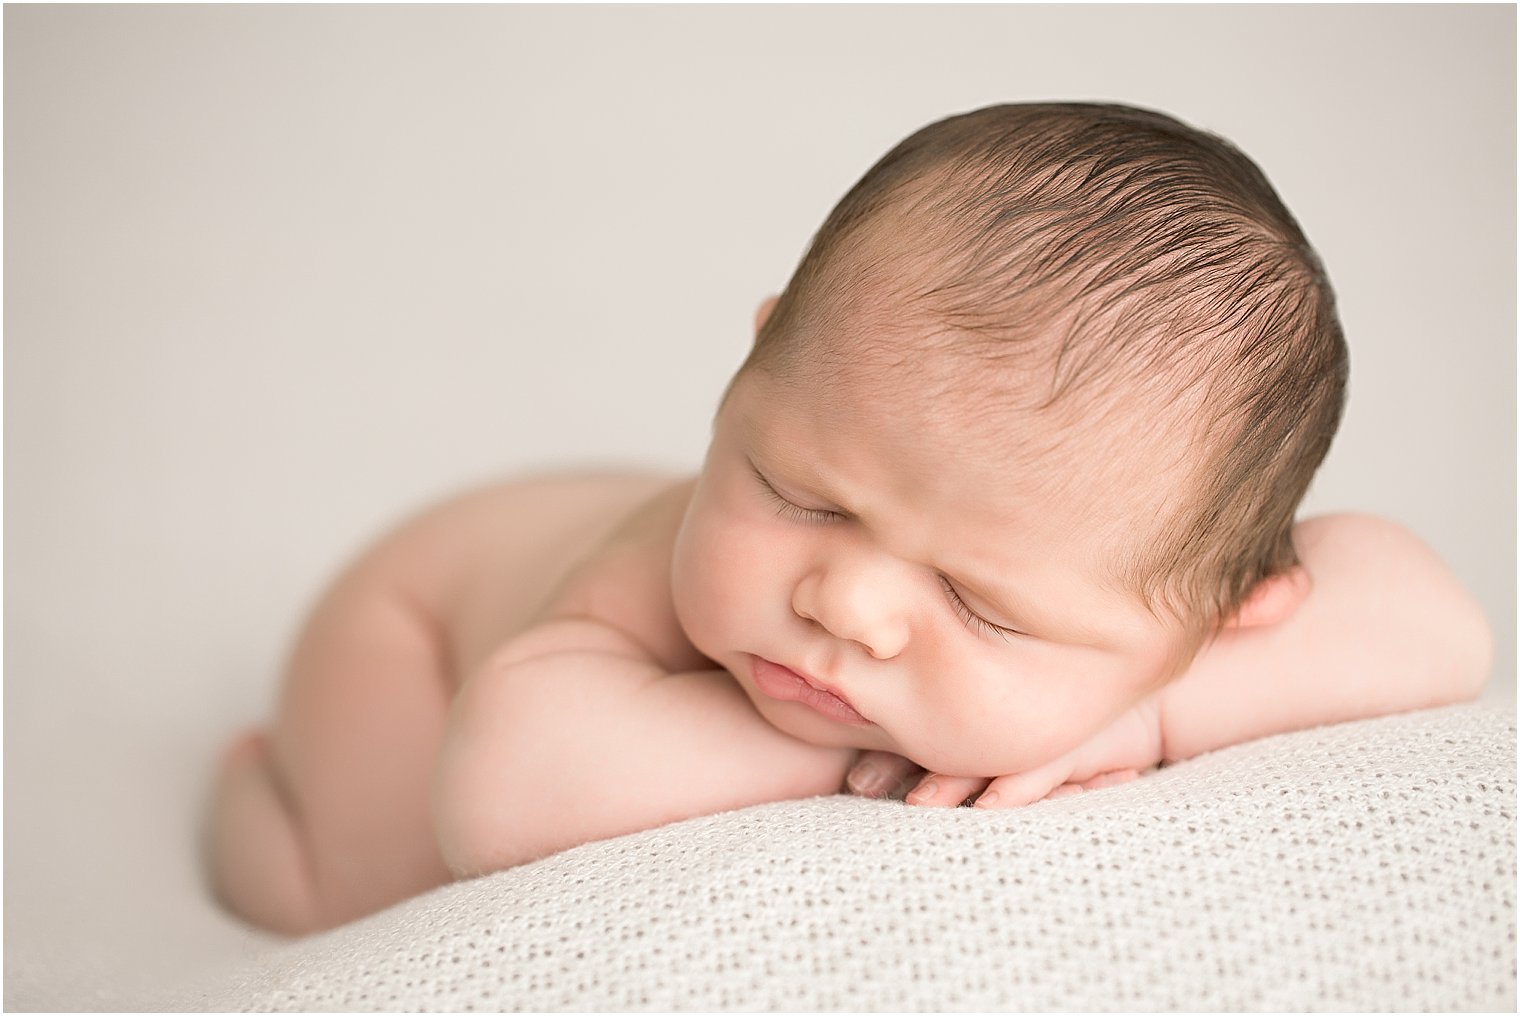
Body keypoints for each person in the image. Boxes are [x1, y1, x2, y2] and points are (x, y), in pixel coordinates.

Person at [208, 102, 1492, 935]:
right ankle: (262, 787)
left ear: (1212, 616)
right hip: (421, 618)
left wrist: (1139, 707)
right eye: (798, 493)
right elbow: (499, 788)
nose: (845, 602)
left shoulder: (1147, 618)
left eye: (983, 604)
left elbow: (1434, 623)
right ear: (751, 364)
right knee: (355, 892)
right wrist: (898, 753)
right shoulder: (644, 587)